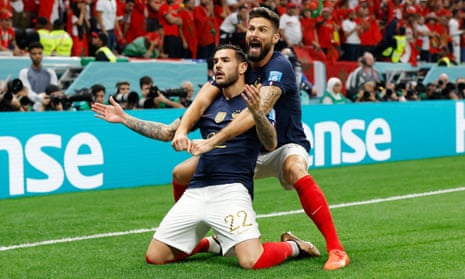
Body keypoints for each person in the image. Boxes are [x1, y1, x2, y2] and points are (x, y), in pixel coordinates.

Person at [92, 44, 321, 269]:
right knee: (156, 257)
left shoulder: (253, 100)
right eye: (215, 62)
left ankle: (294, 246)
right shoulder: (207, 104)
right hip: (197, 191)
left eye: (225, 60)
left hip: (232, 191)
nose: (218, 65)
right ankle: (213, 243)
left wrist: (258, 115)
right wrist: (125, 119)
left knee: (252, 261)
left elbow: (271, 143)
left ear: (242, 68)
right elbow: (166, 132)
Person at [171, 7, 349, 270]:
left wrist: (211, 141)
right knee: (181, 173)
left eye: (262, 30)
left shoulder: (279, 65)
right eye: (251, 28)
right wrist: (179, 129)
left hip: (282, 145)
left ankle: (337, 249)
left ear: (275, 38)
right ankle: (214, 240)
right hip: (246, 150)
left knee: (294, 167)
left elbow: (259, 111)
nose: (254, 34)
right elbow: (198, 105)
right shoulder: (235, 65)